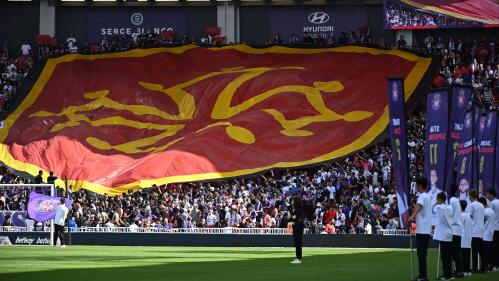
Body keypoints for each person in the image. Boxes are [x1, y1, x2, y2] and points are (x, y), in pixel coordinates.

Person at [408, 177, 432, 281]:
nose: (416, 186)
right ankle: (423, 274)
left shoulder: (422, 196)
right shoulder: (427, 196)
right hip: (425, 229)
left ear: (420, 185)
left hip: (422, 229)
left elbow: (418, 207)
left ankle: (423, 275)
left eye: (417, 184)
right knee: (422, 253)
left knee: (421, 253)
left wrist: (412, 216)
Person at [433, 192, 453, 280]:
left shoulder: (438, 207)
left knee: (444, 256)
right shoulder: (450, 208)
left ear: (440, 199)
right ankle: (449, 274)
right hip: (449, 233)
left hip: (443, 235)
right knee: (448, 256)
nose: (436, 200)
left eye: (437, 199)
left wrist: (437, 203)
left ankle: (446, 275)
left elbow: (433, 209)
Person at [466, 189, 485, 273]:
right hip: (481, 231)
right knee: (481, 251)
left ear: (470, 196)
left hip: (474, 231)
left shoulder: (472, 205)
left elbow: (469, 217)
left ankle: (474, 268)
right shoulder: (481, 205)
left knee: (474, 251)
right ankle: (483, 268)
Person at [449, 197, 464, 277]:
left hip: (454, 229)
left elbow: (450, 213)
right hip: (458, 230)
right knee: (457, 252)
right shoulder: (457, 202)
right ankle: (459, 271)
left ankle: (458, 271)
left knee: (454, 252)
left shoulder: (452, 200)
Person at [485, 189, 499, 271]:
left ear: (491, 194)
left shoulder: (492, 203)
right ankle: (496, 264)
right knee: (497, 247)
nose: (487, 196)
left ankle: (494, 265)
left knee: (494, 247)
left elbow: (490, 214)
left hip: (494, 227)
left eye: (488, 194)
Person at [481, 197, 495, 272]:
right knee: (490, 251)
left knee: (486, 252)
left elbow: (481, 221)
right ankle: (490, 266)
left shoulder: (485, 212)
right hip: (491, 232)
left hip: (485, 233)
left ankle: (486, 267)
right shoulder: (492, 211)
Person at [289, 196, 304, 264]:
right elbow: (293, 219)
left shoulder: (298, 210)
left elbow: (299, 220)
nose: (291, 202)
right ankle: (298, 258)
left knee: (298, 244)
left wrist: (292, 222)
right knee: (297, 244)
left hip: (298, 229)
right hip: (296, 229)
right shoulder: (295, 210)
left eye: (292, 201)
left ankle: (298, 258)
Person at [460, 200, 472, 276]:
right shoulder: (468, 215)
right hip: (468, 237)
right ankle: (468, 271)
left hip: (463, 237)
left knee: (464, 256)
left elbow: (460, 226)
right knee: (467, 255)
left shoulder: (461, 215)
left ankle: (464, 270)